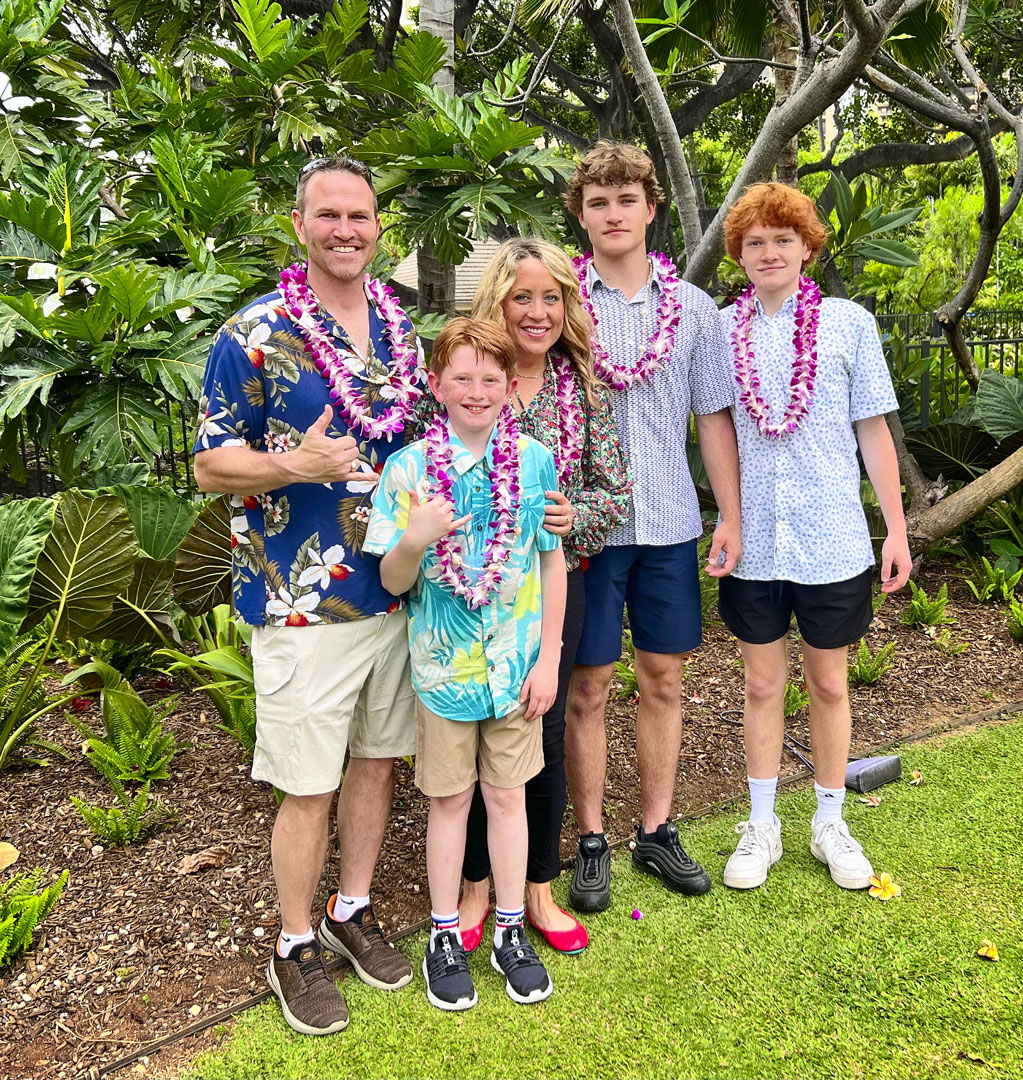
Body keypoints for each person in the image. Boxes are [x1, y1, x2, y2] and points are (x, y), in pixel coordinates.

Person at [192, 153, 421, 1037]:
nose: (345, 230)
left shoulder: (398, 323)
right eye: (327, 215)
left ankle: (350, 907)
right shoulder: (254, 333)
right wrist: (296, 462)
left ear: (375, 226)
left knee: (375, 764)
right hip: (301, 599)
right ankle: (292, 944)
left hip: (394, 589)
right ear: (299, 225)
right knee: (308, 784)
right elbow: (211, 464)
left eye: (359, 216)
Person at [365, 318, 567, 1011]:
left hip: (516, 671)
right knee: (450, 802)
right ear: (436, 385)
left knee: (508, 798)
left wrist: (549, 659)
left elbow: (550, 558)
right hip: (443, 672)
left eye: (490, 379)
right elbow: (392, 582)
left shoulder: (534, 461)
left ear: (511, 388)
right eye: (462, 377)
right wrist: (415, 539)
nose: (476, 391)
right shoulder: (409, 470)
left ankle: (511, 929)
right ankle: (443, 934)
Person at [561, 141, 742, 912]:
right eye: (597, 201)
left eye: (625, 199)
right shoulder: (555, 300)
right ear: (580, 214)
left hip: (668, 519)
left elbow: (712, 417)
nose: (612, 213)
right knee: (588, 687)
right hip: (585, 526)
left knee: (664, 679)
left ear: (650, 207)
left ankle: (658, 829)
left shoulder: (693, 310)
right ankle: (592, 839)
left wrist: (727, 514)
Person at [717, 181, 912, 891]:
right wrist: (728, 519)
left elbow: (873, 431)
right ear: (738, 254)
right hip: (755, 545)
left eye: (782, 238)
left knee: (828, 683)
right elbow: (714, 427)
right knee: (761, 682)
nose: (768, 251)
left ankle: (829, 821)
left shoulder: (847, 323)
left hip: (832, 537)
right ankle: (760, 824)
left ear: (807, 246)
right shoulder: (720, 330)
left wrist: (894, 528)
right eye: (754, 241)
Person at [448, 238, 631, 956]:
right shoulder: (469, 378)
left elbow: (613, 494)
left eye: (550, 297)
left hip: (557, 586)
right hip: (468, 594)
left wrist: (571, 515)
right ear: (496, 299)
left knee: (542, 730)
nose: (536, 311)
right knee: (468, 731)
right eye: (522, 296)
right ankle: (469, 885)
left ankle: (537, 887)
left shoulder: (581, 387)